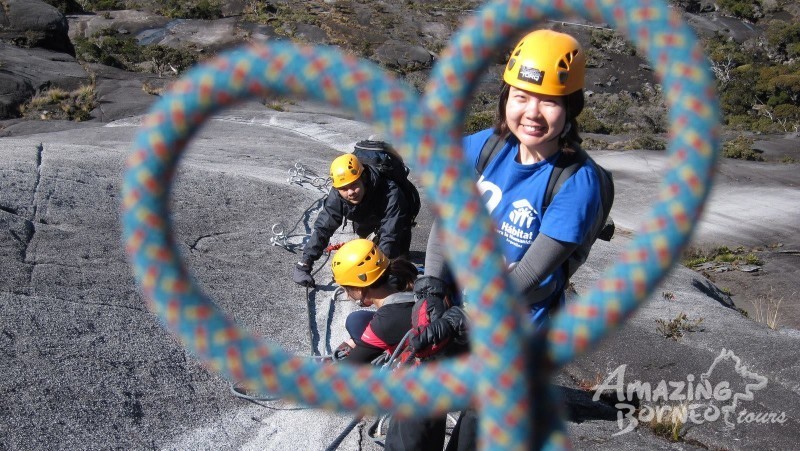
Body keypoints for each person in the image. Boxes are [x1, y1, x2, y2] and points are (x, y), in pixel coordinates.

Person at [424, 29, 603, 328]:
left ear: (571, 108)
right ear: (506, 99)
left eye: (549, 102)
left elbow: (529, 273)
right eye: (521, 97)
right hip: (457, 303)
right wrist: (431, 286)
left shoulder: (576, 182)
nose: (532, 113)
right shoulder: (481, 147)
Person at [331, 239, 469, 451]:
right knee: (356, 320)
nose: (347, 294)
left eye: (347, 289)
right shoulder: (402, 280)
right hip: (451, 364)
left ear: (359, 289)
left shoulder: (385, 321)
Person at [293, 153, 415, 288]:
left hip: (398, 224)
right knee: (364, 251)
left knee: (396, 269)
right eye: (344, 189)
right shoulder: (337, 194)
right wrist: (305, 263)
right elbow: (323, 228)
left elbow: (390, 235)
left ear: (363, 178)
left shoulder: (391, 193)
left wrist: (376, 274)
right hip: (365, 218)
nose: (350, 192)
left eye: (354, 185)